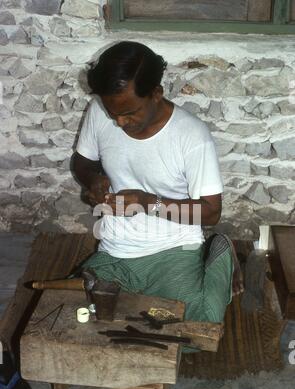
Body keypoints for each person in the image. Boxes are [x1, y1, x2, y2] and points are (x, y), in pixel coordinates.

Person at [72, 41, 243, 335]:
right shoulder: (101, 111)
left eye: (130, 113)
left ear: (156, 93)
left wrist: (148, 202)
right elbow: (80, 162)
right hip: (117, 251)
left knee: (195, 333)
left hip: (173, 250)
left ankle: (221, 257)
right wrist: (93, 180)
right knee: (77, 317)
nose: (121, 122)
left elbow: (211, 212)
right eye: (114, 114)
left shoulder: (191, 135)